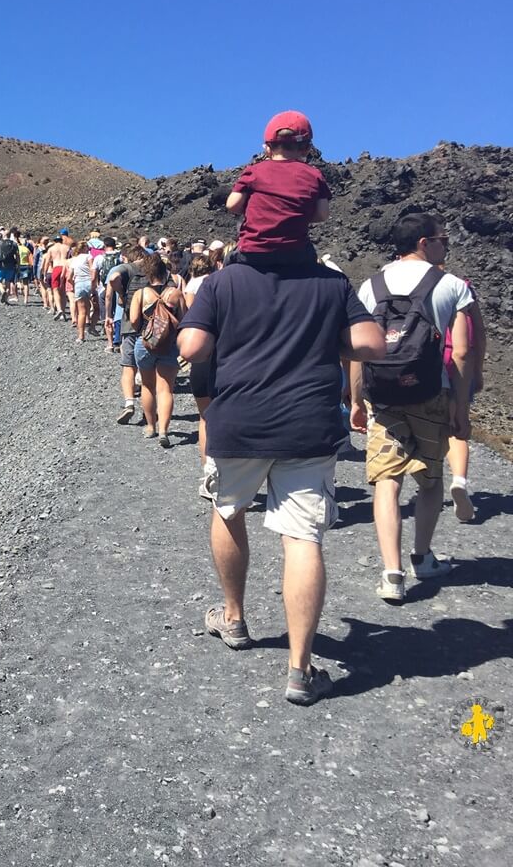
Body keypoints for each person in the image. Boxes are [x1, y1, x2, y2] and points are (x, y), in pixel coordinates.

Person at [179, 255, 385, 706]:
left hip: (239, 421)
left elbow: (192, 348)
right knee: (303, 538)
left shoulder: (222, 282)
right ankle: (300, 670)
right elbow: (372, 344)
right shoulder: (331, 283)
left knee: (229, 510)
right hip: (308, 425)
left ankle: (233, 618)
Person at [349, 213, 476, 604]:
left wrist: (355, 400)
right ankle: (421, 556)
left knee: (387, 480)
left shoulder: (370, 286)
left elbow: (358, 348)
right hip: (430, 393)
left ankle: (392, 573)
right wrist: (461, 403)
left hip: (383, 397)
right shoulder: (451, 285)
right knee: (431, 478)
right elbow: (464, 351)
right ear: (424, 242)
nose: (445, 246)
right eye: (442, 239)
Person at [225, 110, 331, 266]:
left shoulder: (254, 171)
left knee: (228, 262)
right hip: (296, 253)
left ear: (267, 148)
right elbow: (322, 214)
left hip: (253, 252)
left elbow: (232, 204)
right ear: (307, 148)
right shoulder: (314, 175)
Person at [130, 252, 184, 445]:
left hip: (145, 344)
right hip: (169, 345)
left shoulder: (141, 294)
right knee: (166, 388)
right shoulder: (176, 294)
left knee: (147, 386)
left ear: (148, 274)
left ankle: (151, 427)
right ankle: (164, 431)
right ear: (165, 272)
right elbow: (184, 320)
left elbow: (134, 321)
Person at [444, 278, 486, 522]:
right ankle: (459, 480)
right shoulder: (463, 287)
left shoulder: (413, 283)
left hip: (429, 362)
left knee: (429, 424)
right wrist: (478, 370)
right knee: (457, 426)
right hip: (460, 364)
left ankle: (426, 485)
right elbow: (478, 333)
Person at [183, 253, 218, 471]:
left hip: (201, 349)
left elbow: (191, 316)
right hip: (222, 353)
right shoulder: (220, 283)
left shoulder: (191, 286)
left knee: (205, 417)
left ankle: (208, 471)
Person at [108, 244, 147, 423]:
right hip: (151, 325)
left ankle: (129, 403)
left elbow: (114, 278)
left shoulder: (128, 268)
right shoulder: (154, 268)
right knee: (149, 368)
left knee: (128, 365)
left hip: (130, 323)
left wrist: (121, 293)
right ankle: (150, 409)